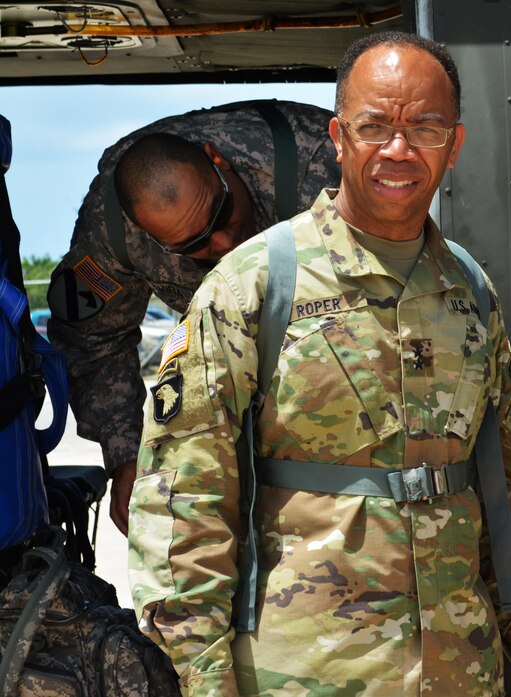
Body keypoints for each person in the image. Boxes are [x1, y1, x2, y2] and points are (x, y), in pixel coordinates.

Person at [127, 32, 511, 697]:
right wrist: (201, 681)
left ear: (455, 143)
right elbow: (184, 506)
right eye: (375, 126)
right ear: (338, 136)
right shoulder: (255, 286)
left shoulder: (469, 292)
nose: (399, 149)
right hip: (307, 675)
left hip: (461, 672)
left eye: (425, 127)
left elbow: (505, 489)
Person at [45, 100, 339, 535]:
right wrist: (126, 457)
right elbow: (95, 341)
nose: (223, 242)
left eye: (221, 213)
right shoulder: (112, 230)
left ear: (217, 161)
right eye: (195, 242)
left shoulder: (318, 164)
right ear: (148, 237)